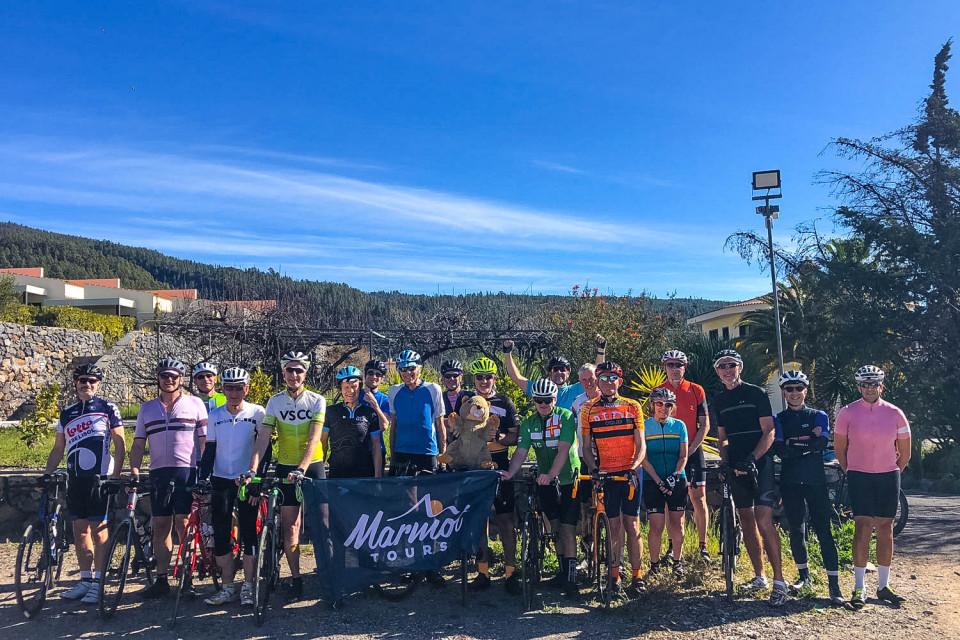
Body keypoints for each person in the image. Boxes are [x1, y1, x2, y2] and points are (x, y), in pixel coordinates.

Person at [711, 349, 786, 606]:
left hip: (759, 464)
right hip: (735, 466)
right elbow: (721, 437)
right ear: (717, 371)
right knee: (746, 523)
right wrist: (724, 461)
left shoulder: (756, 393)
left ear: (739, 367)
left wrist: (752, 459)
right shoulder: (719, 400)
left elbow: (769, 432)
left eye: (731, 365)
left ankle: (780, 581)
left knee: (764, 522)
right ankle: (760, 576)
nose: (727, 370)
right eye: (722, 366)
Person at [249, 350, 326, 601]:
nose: (294, 374)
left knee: (322, 525)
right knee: (290, 527)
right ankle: (295, 578)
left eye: (299, 370)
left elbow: (314, 438)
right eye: (290, 370)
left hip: (311, 466)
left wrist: (302, 468)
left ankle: (328, 573)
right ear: (283, 372)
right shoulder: (274, 402)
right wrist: (253, 468)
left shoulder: (316, 400)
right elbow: (263, 439)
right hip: (285, 467)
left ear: (306, 373)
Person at [46, 364, 125, 605]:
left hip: (98, 479)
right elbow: (59, 447)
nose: (87, 384)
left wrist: (116, 476)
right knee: (78, 530)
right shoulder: (66, 413)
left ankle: (99, 582)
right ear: (76, 383)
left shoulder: (107, 408)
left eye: (92, 380)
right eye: (82, 380)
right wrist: (46, 474)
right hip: (75, 479)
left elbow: (120, 444)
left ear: (98, 384)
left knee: (99, 529)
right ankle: (85, 580)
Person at [834, 365, 911, 609]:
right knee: (862, 526)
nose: (869, 388)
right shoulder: (847, 413)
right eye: (865, 384)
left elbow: (905, 452)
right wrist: (853, 470)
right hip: (859, 475)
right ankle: (859, 587)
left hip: (888, 475)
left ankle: (884, 585)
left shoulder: (895, 413)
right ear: (858, 387)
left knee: (886, 527)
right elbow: (840, 449)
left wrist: (891, 469)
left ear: (881, 386)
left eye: (874, 384)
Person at [130, 357, 207, 599]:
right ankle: (161, 579)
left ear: (181, 379)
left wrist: (204, 473)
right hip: (159, 473)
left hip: (187, 471)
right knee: (160, 526)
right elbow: (139, 442)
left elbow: (205, 442)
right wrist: (134, 469)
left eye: (174, 376)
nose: (169, 380)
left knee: (183, 525)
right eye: (165, 376)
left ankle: (187, 578)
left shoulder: (195, 404)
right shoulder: (147, 408)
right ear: (159, 378)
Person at [501, 379, 581, 597]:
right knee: (553, 527)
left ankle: (571, 579)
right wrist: (510, 472)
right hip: (545, 479)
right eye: (539, 400)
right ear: (534, 401)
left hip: (566, 478)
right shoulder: (528, 423)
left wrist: (552, 475)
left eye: (547, 400)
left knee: (567, 528)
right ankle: (562, 571)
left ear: (555, 399)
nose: (543, 404)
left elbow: (564, 450)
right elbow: (521, 451)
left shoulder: (565, 417)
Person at [772, 370, 846, 607]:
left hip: (815, 481)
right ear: (784, 392)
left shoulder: (819, 415)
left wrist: (796, 445)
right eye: (789, 389)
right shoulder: (779, 418)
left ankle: (834, 585)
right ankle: (804, 576)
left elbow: (822, 442)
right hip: (791, 480)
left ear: (805, 390)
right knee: (796, 529)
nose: (794, 393)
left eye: (798, 388)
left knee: (824, 530)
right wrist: (807, 444)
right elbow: (780, 449)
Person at [198, 367, 264, 607]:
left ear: (246, 388)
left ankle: (248, 586)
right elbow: (210, 450)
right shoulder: (215, 414)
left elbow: (263, 450)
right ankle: (228, 588)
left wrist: (257, 481)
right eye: (229, 388)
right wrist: (202, 477)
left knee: (248, 531)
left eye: (239, 387)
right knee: (221, 531)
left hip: (246, 479)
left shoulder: (258, 412)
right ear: (222, 389)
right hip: (221, 479)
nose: (234, 392)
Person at [580, 361, 646, 598]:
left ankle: (637, 576)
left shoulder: (632, 406)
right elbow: (586, 447)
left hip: (629, 474)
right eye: (603, 378)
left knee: (633, 524)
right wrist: (594, 468)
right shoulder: (588, 409)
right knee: (614, 527)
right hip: (607, 474)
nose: (608, 382)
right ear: (597, 381)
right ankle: (615, 575)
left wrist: (634, 468)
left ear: (620, 380)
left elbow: (641, 444)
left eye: (613, 378)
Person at [456, 357, 521, 594]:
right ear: (473, 379)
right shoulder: (467, 402)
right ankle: (482, 572)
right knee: (479, 519)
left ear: (495, 378)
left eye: (488, 376)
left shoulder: (505, 402)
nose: (484, 381)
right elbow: (456, 431)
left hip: (500, 462)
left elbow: (516, 437)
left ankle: (511, 573)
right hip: (474, 465)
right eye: (479, 377)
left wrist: (500, 438)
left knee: (505, 520)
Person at [387, 349, 446, 587]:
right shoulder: (393, 391)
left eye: (412, 368)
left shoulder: (433, 389)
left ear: (420, 369)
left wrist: (442, 455)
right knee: (407, 511)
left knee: (430, 511)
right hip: (402, 454)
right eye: (403, 369)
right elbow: (394, 426)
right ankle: (410, 562)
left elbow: (439, 424)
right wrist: (392, 458)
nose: (407, 373)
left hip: (427, 454)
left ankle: (433, 565)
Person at [655, 349, 711, 563]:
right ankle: (672, 546)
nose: (675, 369)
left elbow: (704, 425)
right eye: (670, 365)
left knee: (699, 498)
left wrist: (691, 449)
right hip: (669, 453)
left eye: (679, 365)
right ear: (665, 367)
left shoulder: (696, 390)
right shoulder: (658, 390)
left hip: (693, 451)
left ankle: (703, 546)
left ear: (685, 367)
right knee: (671, 500)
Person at [641, 387, 689, 576]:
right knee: (656, 524)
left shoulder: (679, 426)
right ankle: (654, 565)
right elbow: (643, 458)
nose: (663, 408)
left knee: (677, 523)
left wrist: (674, 476)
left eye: (668, 404)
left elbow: (683, 456)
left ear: (672, 407)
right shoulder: (644, 426)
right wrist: (659, 481)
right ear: (653, 405)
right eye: (659, 404)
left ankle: (677, 562)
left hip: (676, 479)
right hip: (652, 479)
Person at [502, 335, 607, 410]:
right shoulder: (540, 390)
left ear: (568, 373)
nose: (559, 372)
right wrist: (507, 353)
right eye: (554, 369)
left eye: (563, 369)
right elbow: (516, 377)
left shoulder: (577, 389)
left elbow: (597, 373)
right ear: (550, 373)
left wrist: (601, 350)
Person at [321, 366, 385, 478]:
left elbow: (376, 446)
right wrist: (320, 473)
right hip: (337, 473)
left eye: (354, 387)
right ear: (340, 389)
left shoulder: (369, 413)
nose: (350, 391)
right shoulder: (330, 412)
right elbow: (323, 444)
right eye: (346, 387)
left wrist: (378, 477)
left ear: (360, 388)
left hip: (364, 473)